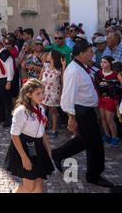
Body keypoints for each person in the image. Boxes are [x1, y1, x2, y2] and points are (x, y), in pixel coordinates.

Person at [51, 42, 115, 188]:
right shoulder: (74, 70)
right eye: (90, 51)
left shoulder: (82, 67)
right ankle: (94, 176)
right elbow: (67, 96)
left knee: (84, 140)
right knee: (95, 145)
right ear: (81, 54)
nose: (93, 54)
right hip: (82, 111)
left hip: (87, 110)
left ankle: (57, 154)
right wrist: (71, 118)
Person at [4, 79, 54, 193]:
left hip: (38, 146)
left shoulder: (40, 108)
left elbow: (42, 131)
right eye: (38, 93)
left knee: (39, 182)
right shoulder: (21, 111)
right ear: (28, 94)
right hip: (26, 147)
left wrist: (48, 149)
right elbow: (14, 135)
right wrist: (24, 157)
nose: (42, 96)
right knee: (29, 187)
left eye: (42, 92)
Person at [95, 56, 121, 147]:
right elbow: (96, 85)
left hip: (110, 99)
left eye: (105, 62)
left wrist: (116, 99)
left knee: (110, 119)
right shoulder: (98, 72)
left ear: (110, 63)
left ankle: (115, 137)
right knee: (102, 118)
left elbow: (118, 88)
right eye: (102, 61)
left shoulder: (115, 74)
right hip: (101, 99)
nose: (102, 64)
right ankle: (107, 135)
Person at [40, 50, 66, 138]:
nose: (47, 55)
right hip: (44, 91)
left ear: (53, 57)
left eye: (49, 54)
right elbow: (40, 79)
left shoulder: (59, 69)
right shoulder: (45, 66)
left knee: (53, 111)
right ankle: (41, 127)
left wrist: (61, 94)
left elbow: (63, 82)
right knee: (42, 110)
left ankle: (54, 129)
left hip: (54, 92)